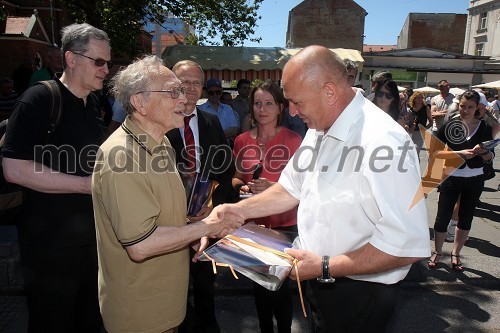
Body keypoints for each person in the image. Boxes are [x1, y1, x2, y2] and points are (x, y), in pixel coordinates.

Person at [220, 45, 430, 332]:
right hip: (319, 279)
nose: (291, 111)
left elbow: (408, 244)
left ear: (329, 92)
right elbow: (289, 189)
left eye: (297, 102)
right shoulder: (320, 129)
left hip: (358, 294)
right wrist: (236, 210)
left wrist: (326, 266)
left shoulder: (384, 142)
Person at [92, 55, 243, 333]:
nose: (184, 99)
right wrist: (208, 225)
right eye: (174, 91)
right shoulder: (121, 155)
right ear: (140, 102)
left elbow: (165, 214)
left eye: (184, 90)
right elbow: (141, 245)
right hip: (140, 314)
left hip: (166, 306)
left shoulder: (160, 144)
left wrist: (193, 229)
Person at [2, 23, 112, 332]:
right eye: (99, 61)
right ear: (71, 59)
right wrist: (85, 186)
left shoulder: (93, 104)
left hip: (91, 245)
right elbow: (14, 168)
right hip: (49, 250)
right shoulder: (38, 99)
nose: (106, 69)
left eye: (108, 62)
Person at [166, 60, 235, 333]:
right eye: (185, 81)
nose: (191, 88)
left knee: (205, 285)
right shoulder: (158, 122)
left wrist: (212, 209)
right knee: (172, 287)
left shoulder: (211, 122)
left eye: (197, 82)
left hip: (203, 222)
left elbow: (225, 171)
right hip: (168, 223)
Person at [232, 80, 302, 333]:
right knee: (259, 289)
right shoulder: (241, 140)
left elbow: (304, 186)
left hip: (285, 225)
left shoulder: (294, 140)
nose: (262, 109)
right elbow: (237, 175)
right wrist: (241, 186)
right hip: (253, 227)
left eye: (269, 103)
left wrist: (272, 187)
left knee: (280, 289)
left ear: (280, 108)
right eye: (258, 103)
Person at [427, 90, 493, 271]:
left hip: (475, 178)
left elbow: (490, 157)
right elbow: (434, 152)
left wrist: (485, 152)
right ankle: (438, 252)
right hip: (452, 177)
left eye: (470, 107)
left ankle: (456, 253)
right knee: (442, 218)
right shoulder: (451, 124)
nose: (465, 110)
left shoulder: (485, 127)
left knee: (466, 218)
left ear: (477, 108)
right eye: (463, 106)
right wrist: (459, 154)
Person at [407, 91, 432, 158]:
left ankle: (417, 167)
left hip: (420, 133)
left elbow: (431, 122)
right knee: (410, 153)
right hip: (411, 132)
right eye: (418, 97)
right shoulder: (411, 110)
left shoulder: (426, 108)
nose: (420, 99)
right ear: (414, 99)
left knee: (416, 150)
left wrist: (425, 129)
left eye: (421, 97)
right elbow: (408, 122)